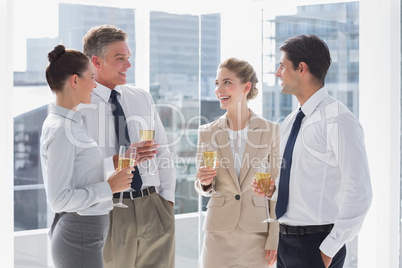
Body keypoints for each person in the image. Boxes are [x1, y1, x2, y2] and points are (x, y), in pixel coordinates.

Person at [253, 34, 372, 268]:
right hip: (284, 242)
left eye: (282, 66)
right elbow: (302, 178)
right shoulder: (289, 123)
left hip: (315, 246)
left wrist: (328, 250)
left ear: (301, 68)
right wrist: (274, 189)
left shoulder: (340, 120)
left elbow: (360, 192)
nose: (278, 73)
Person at [79, 25, 176, 268]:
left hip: (154, 207)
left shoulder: (141, 97)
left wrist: (167, 201)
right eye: (120, 58)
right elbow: (78, 168)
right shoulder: (80, 106)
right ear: (96, 62)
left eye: (128, 58)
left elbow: (163, 150)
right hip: (109, 208)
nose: (128, 65)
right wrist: (116, 162)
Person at [40, 45, 135, 268]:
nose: (94, 85)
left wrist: (110, 165)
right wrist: (109, 188)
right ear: (75, 81)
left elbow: (78, 173)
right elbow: (59, 199)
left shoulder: (73, 123)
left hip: (86, 231)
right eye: (91, 78)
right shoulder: (62, 129)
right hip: (78, 233)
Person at [195, 57, 280, 267]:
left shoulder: (271, 131)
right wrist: (204, 182)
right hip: (218, 234)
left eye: (226, 82)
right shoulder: (207, 132)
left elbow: (278, 189)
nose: (219, 89)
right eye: (217, 83)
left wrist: (274, 238)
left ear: (246, 87)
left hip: (257, 234)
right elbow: (201, 183)